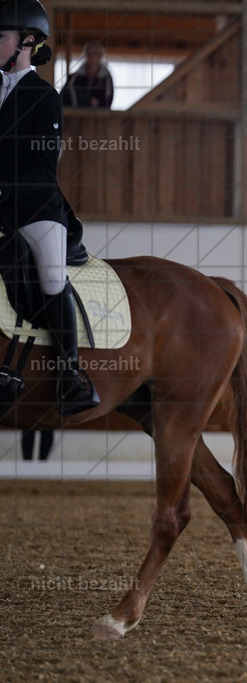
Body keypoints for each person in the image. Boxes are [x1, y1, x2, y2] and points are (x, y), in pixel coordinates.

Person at [0, 0, 99, 416]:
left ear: (26, 42)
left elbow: (44, 167)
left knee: (52, 279)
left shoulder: (44, 97)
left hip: (36, 209)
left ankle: (69, 375)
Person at [60, 39, 113, 109]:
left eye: (95, 53)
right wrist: (84, 102)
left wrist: (99, 104)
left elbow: (108, 98)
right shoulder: (75, 77)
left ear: (100, 56)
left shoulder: (106, 77)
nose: (92, 57)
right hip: (75, 115)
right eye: (89, 53)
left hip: (99, 117)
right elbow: (65, 95)